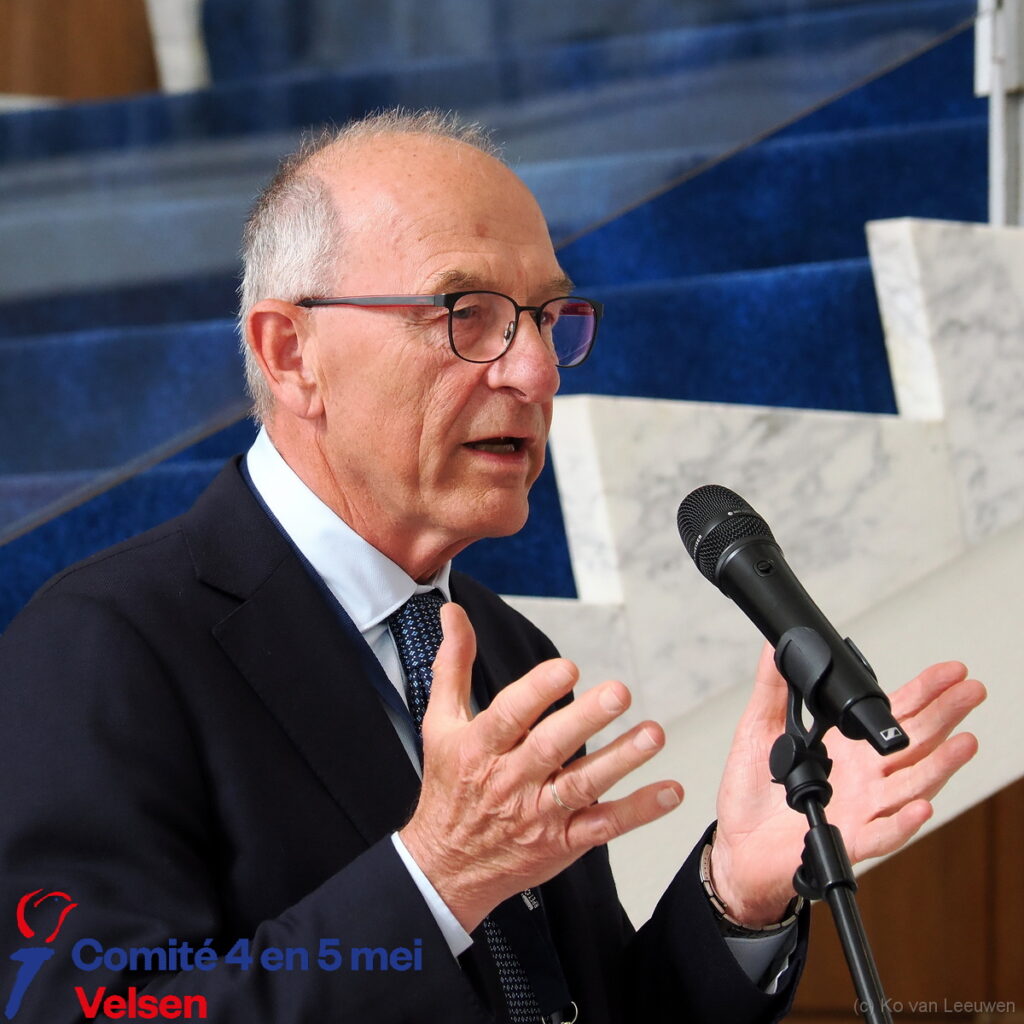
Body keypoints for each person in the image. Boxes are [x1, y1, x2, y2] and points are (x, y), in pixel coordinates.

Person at [0, 110, 985, 1024]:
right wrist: (435, 878)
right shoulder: (101, 648)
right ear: (292, 352)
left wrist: (738, 891)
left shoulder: (506, 647)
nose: (536, 371)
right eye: (464, 312)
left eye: (548, 317)